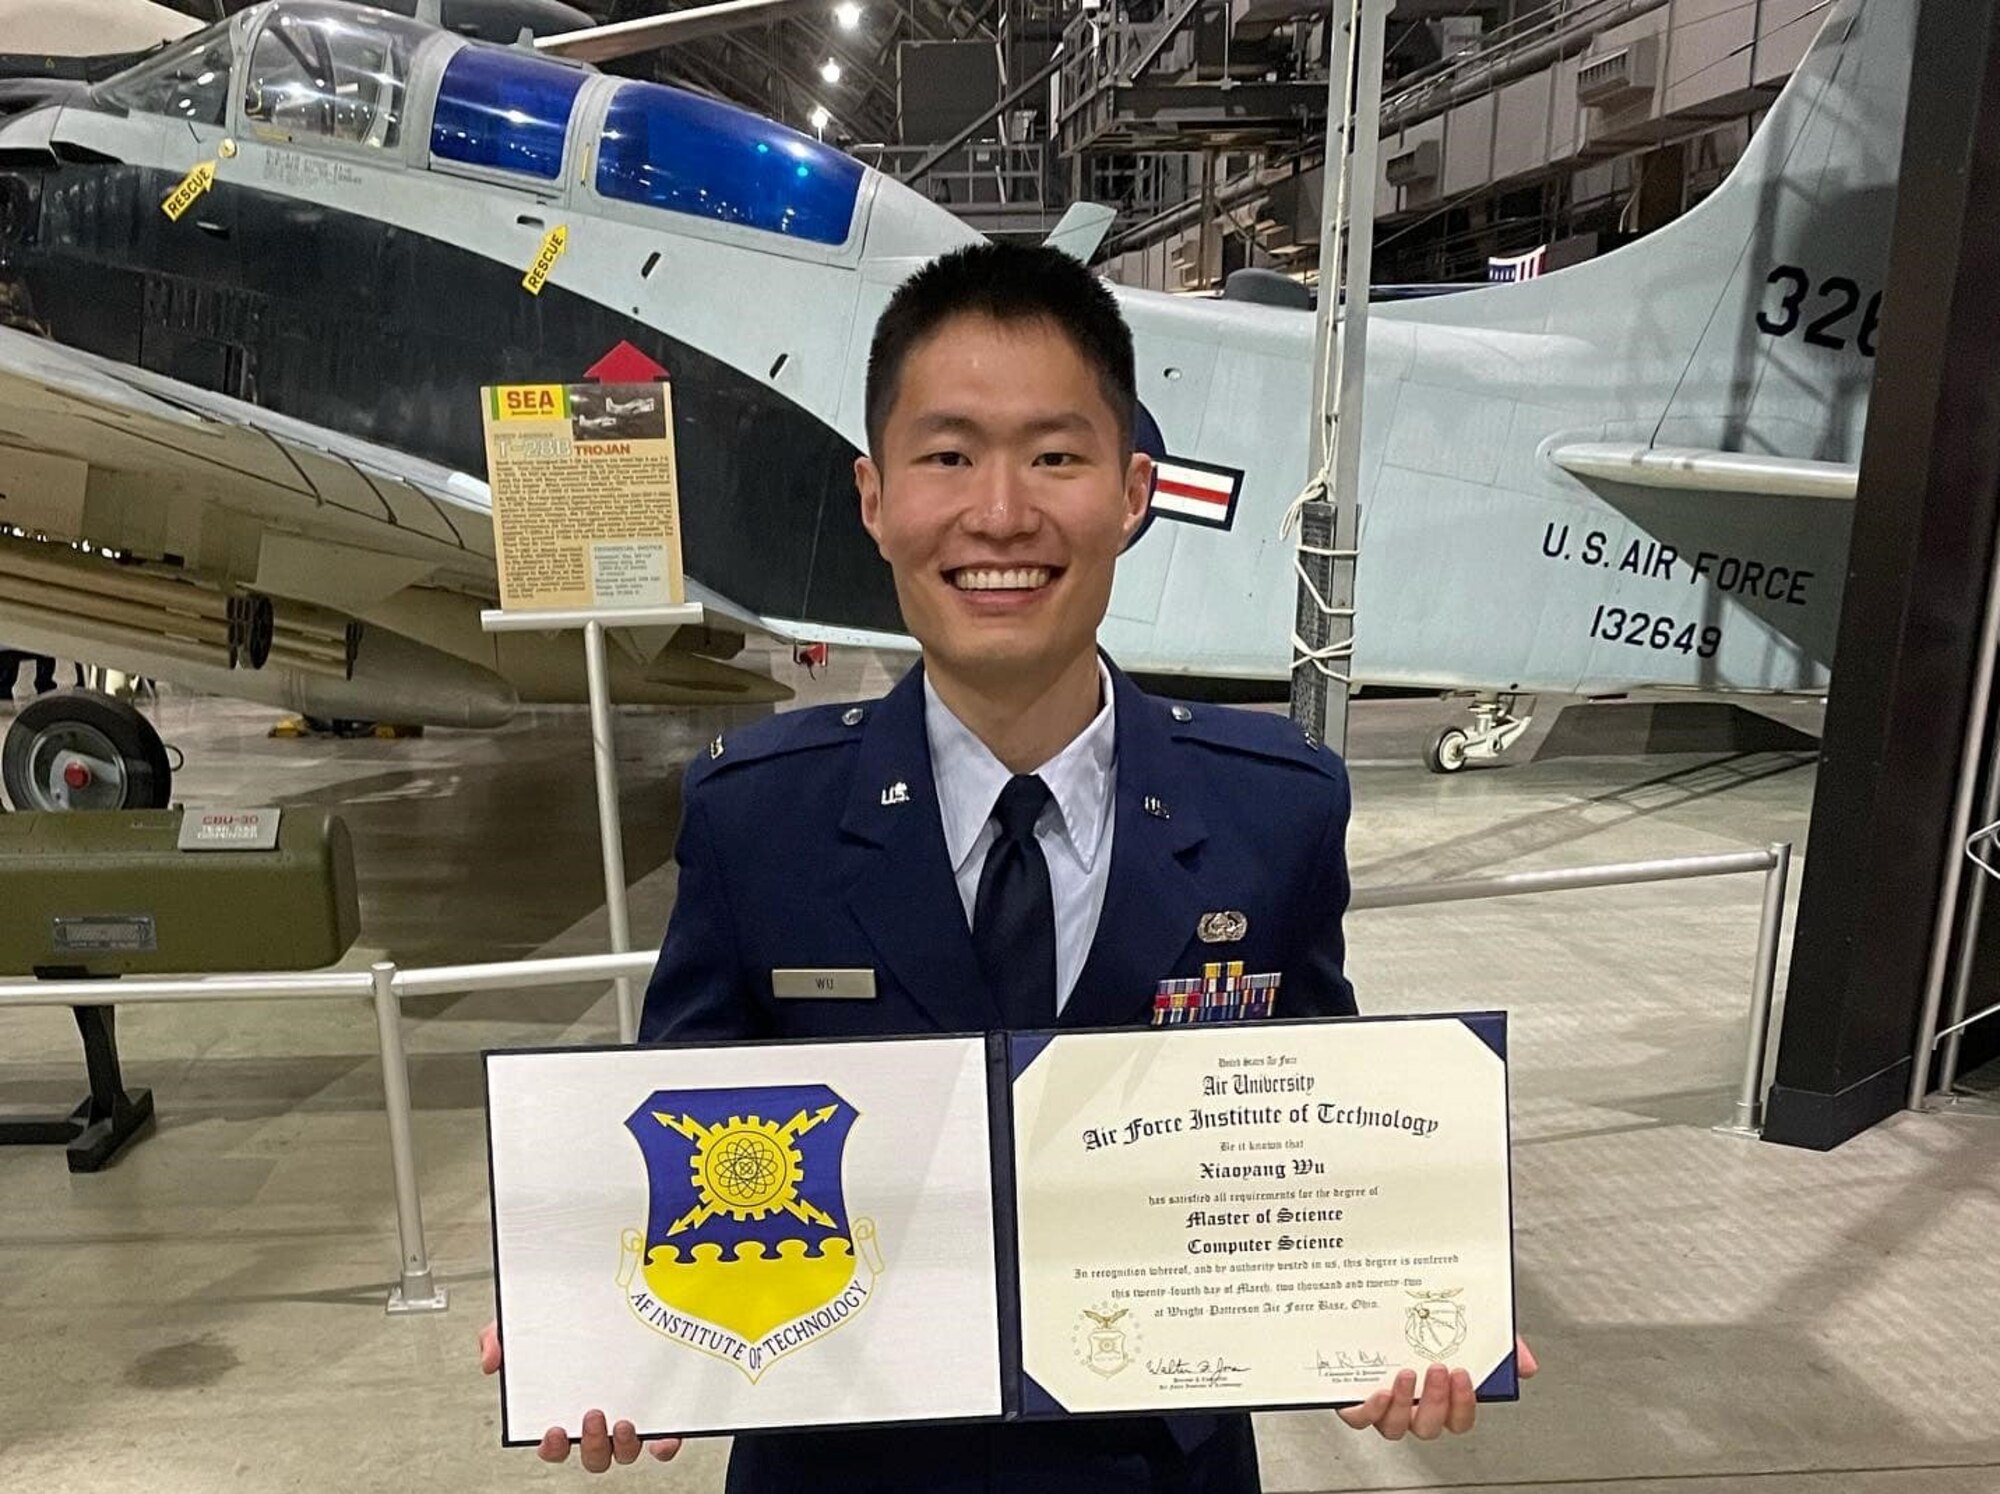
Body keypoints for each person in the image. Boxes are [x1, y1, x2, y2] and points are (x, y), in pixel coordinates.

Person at [479, 241, 1535, 1488]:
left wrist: (1401, 1303)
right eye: (946, 455)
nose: (998, 513)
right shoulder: (755, 819)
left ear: (1132, 491)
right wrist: (597, 1326)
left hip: (1157, 1468)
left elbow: (1323, 1117)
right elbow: (670, 1126)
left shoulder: (1273, 813)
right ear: (874, 499)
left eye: (1053, 454)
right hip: (843, 1464)